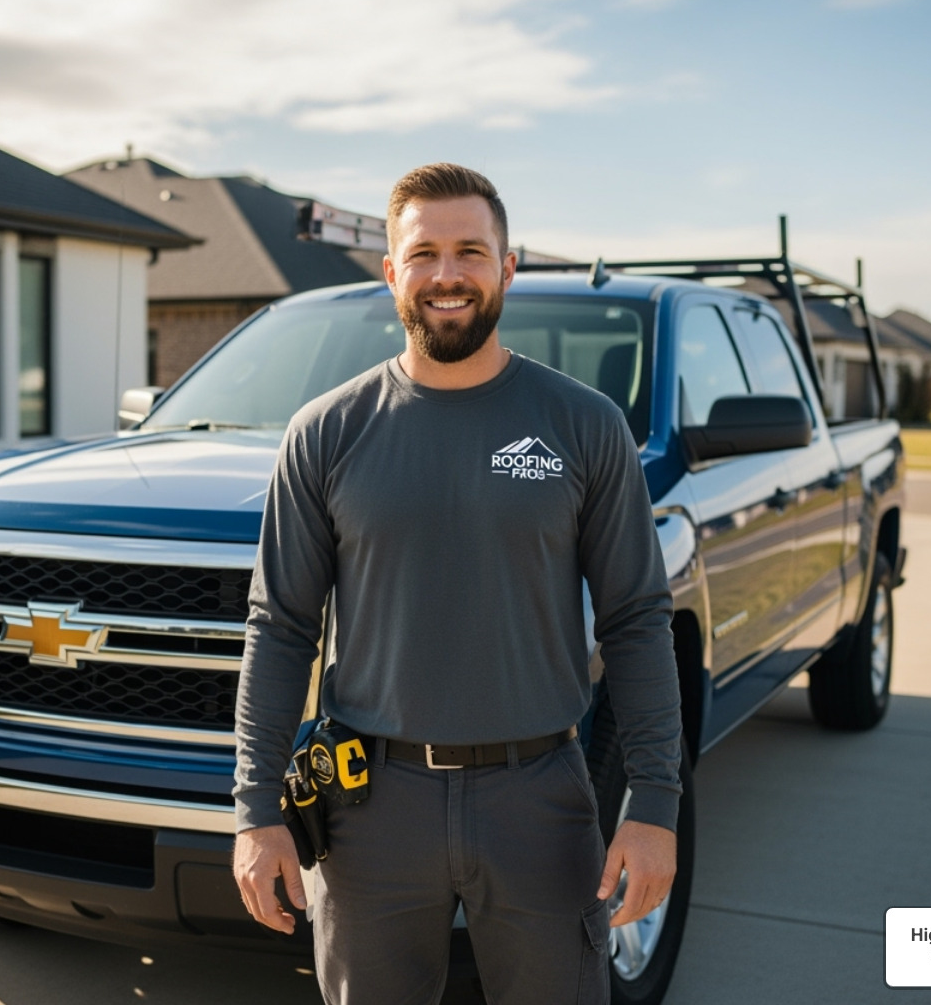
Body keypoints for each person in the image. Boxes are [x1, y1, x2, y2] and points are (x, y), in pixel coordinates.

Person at [232, 162, 682, 1005]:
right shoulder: (326, 434)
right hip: (370, 806)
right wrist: (257, 809)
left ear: (507, 268)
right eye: (426, 253)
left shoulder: (584, 426)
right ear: (391, 271)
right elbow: (281, 628)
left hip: (539, 798)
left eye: (471, 251)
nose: (448, 274)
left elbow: (636, 619)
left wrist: (655, 802)